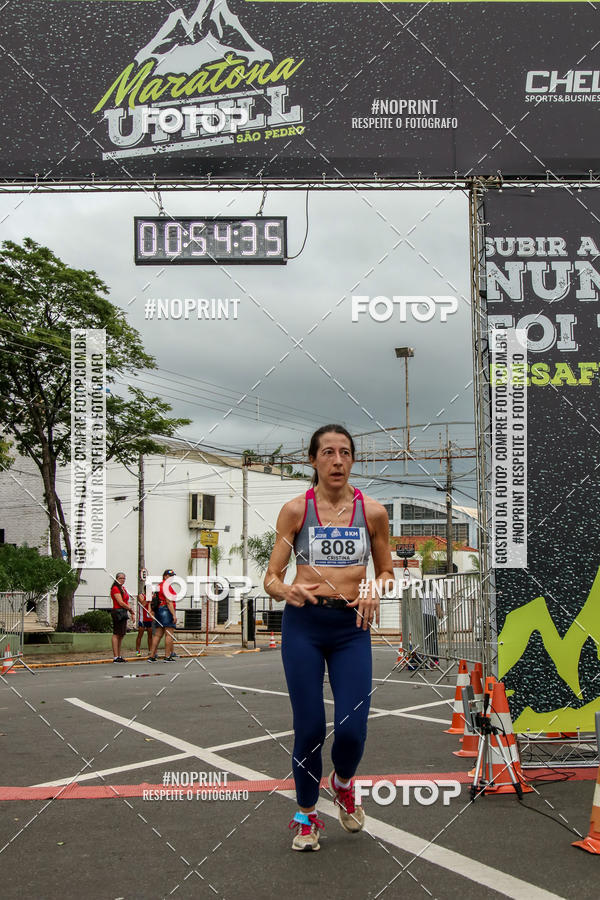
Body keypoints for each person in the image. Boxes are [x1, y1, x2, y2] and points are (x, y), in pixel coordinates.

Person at [264, 424, 393, 851]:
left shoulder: (373, 512)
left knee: (352, 729)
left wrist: (376, 587)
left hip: (351, 628)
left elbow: (387, 571)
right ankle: (305, 816)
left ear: (353, 460)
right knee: (310, 728)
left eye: (344, 453)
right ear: (313, 460)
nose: (337, 461)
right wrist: (288, 590)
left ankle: (342, 782)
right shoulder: (295, 511)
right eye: (327, 453)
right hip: (304, 624)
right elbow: (270, 578)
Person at [149, 569, 178, 662]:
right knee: (169, 634)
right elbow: (169, 602)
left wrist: (151, 610)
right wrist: (174, 615)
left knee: (157, 635)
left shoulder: (159, 586)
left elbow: (153, 599)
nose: (172, 578)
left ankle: (152, 656)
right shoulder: (166, 586)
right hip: (166, 609)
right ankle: (167, 656)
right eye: (170, 576)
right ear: (165, 576)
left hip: (159, 610)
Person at [110, 573, 134, 662]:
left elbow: (125, 600)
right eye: (120, 578)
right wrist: (130, 609)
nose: (122, 580)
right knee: (116, 633)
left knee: (121, 634)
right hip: (118, 611)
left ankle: (119, 655)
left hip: (123, 611)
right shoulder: (115, 588)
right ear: (116, 579)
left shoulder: (123, 588)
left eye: (124, 578)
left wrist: (129, 610)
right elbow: (120, 602)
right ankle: (116, 656)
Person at [135, 591, 153, 656]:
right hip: (142, 619)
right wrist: (148, 598)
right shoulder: (141, 595)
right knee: (140, 635)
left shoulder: (152, 597)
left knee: (150, 636)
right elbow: (143, 604)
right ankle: (137, 651)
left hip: (149, 618)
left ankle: (150, 650)